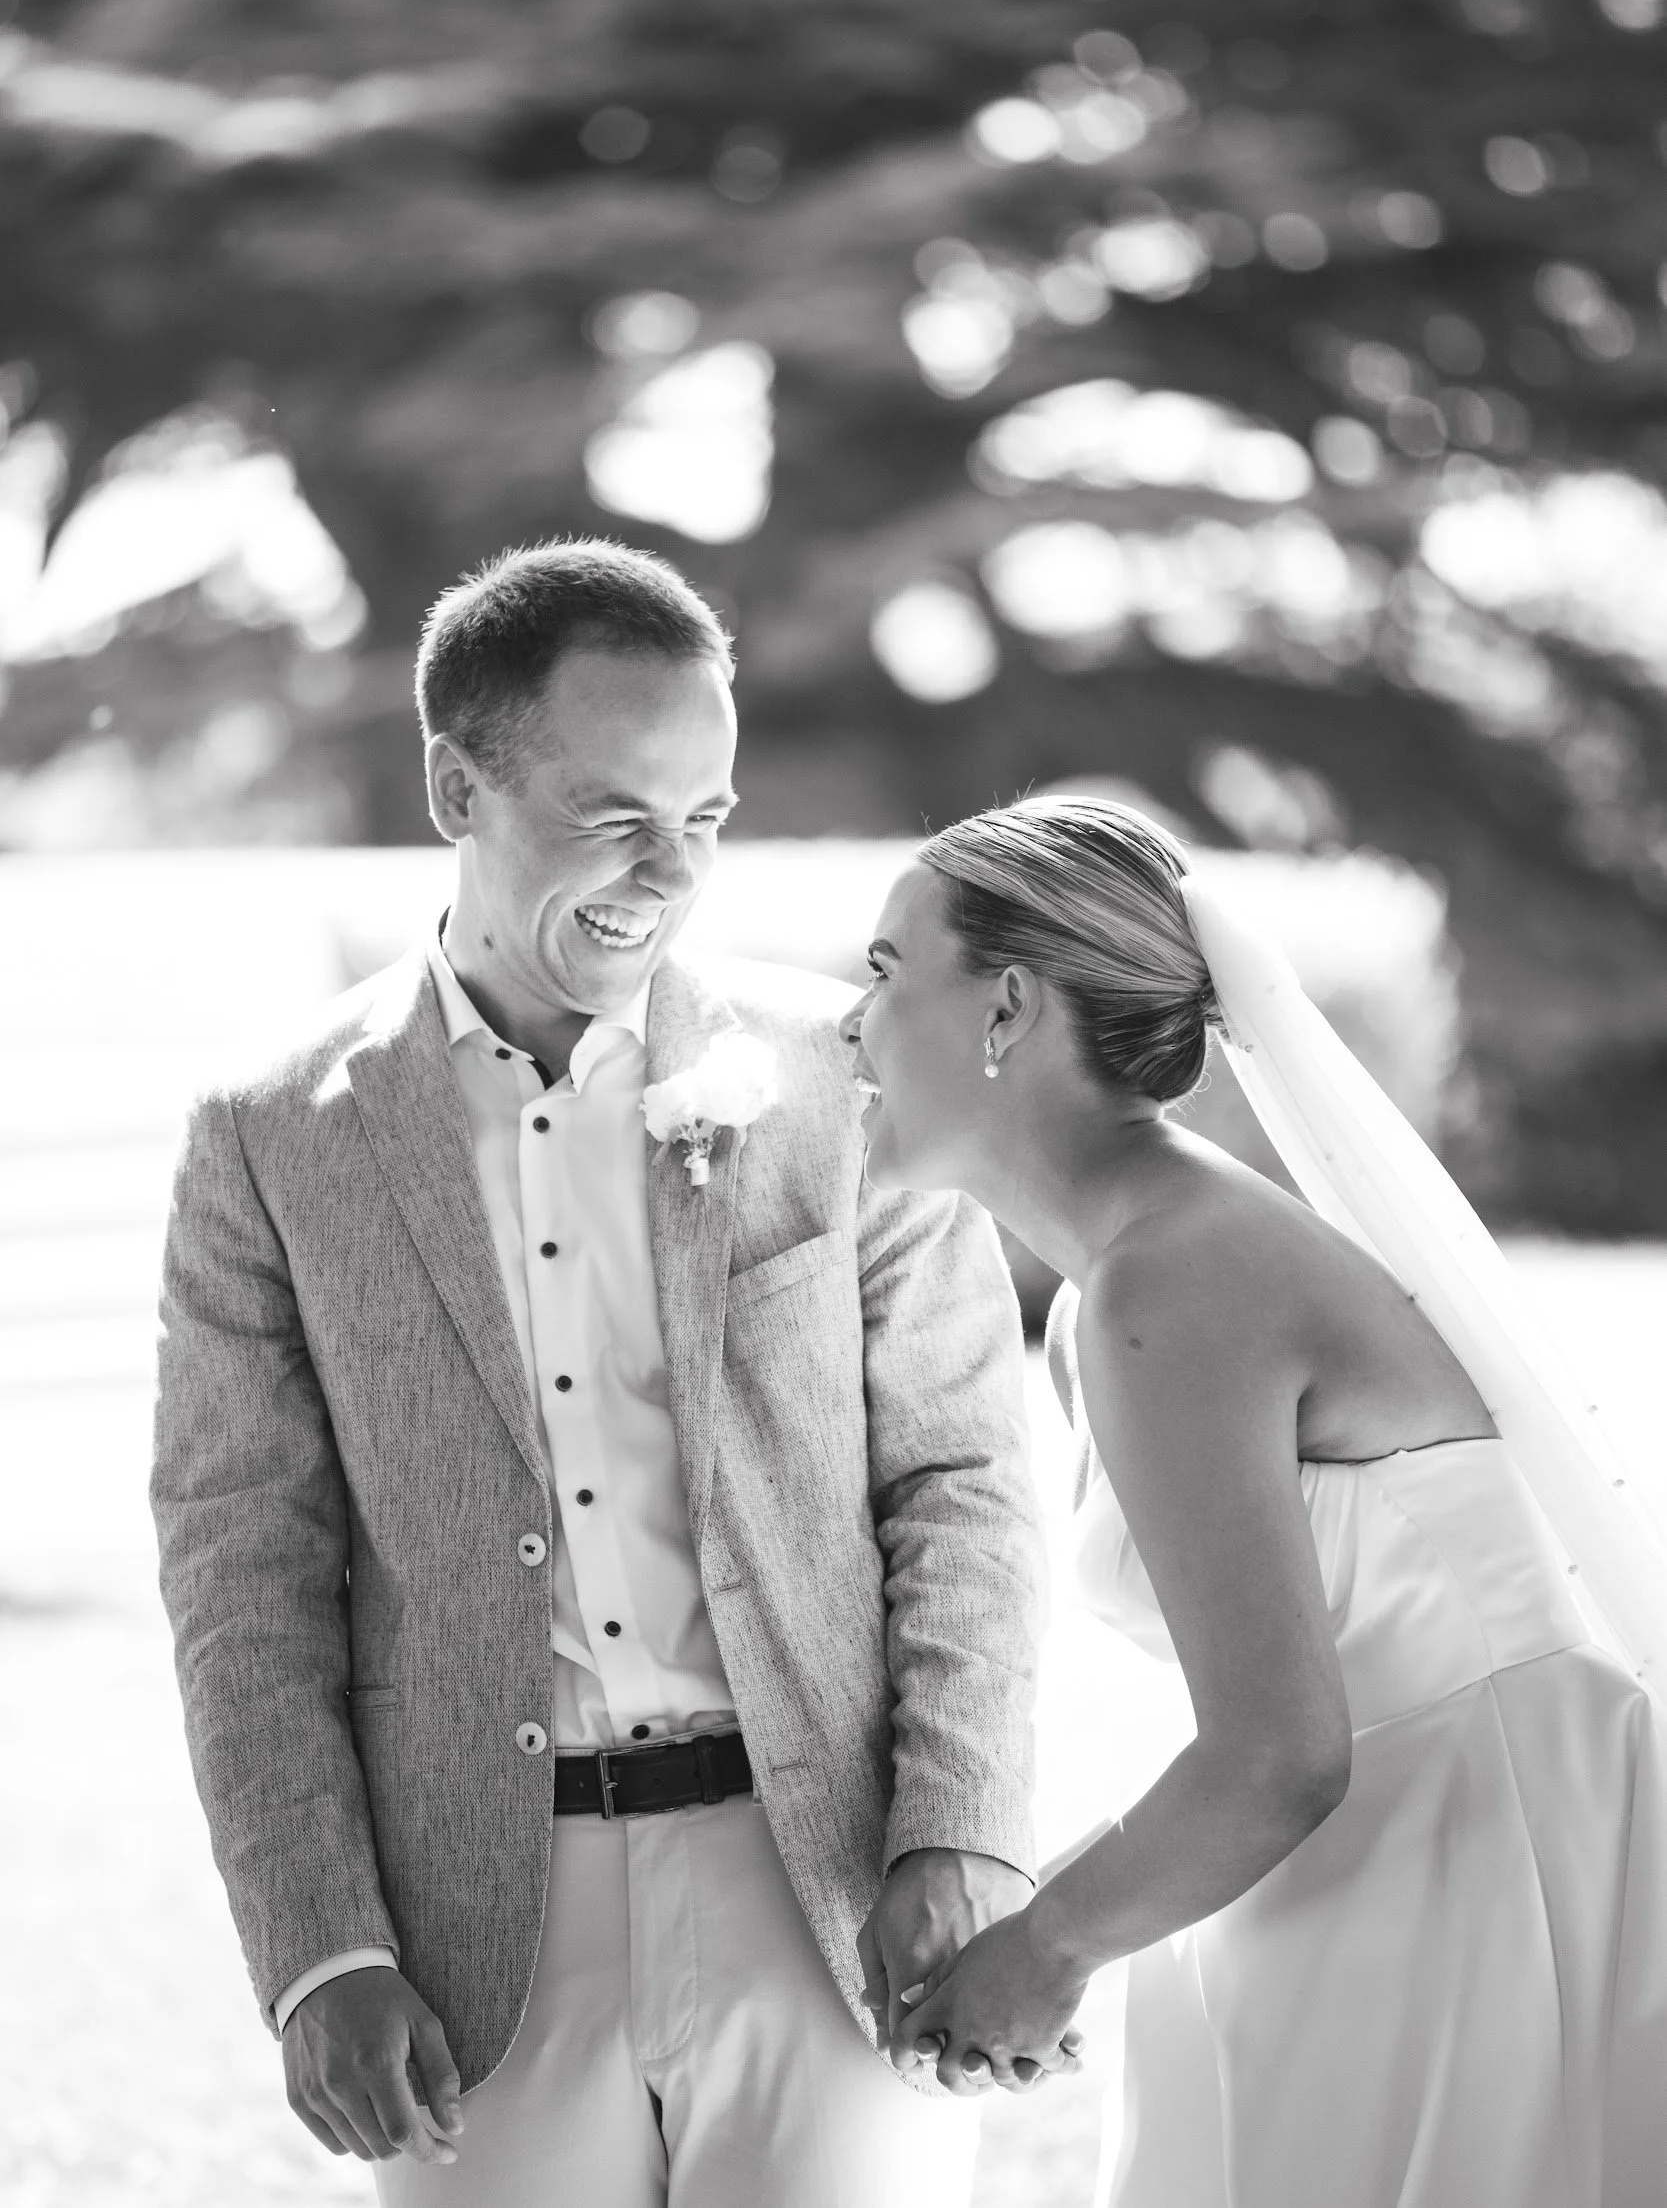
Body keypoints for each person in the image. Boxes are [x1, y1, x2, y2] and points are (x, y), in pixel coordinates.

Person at [151, 538, 1054, 2208]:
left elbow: (964, 1484)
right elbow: (241, 1572)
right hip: (470, 1936)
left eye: (704, 815)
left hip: (826, 1897)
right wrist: (317, 1952)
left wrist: (957, 1828)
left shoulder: (844, 1091)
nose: (668, 869)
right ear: (454, 786)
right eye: (613, 812)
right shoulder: (267, 1143)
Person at [840, 793, 1667, 2208]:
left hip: (1470, 1881)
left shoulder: (1178, 1277)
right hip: (1351, 1871)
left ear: (1009, 1008)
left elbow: (1279, 1753)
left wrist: (1043, 1948)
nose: (846, 1028)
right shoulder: (1112, 1293)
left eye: (882, 973)